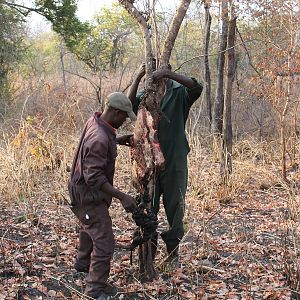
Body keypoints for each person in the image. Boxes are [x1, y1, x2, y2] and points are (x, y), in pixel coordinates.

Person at [127, 64, 203, 264]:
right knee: (147, 206)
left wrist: (170, 74)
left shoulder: (179, 93)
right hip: (149, 162)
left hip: (174, 159)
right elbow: (128, 106)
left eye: (163, 72)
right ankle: (148, 254)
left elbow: (197, 87)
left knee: (176, 207)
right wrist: (138, 76)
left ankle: (173, 254)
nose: (159, 76)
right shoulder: (147, 95)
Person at [68, 92, 137, 300]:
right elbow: (94, 177)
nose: (125, 120)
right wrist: (122, 196)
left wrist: (117, 140)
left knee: (89, 226)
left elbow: (98, 146)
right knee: (104, 240)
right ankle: (95, 290)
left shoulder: (96, 120)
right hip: (87, 195)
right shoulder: (100, 138)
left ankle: (82, 265)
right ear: (115, 113)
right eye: (125, 116)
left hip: (81, 191)